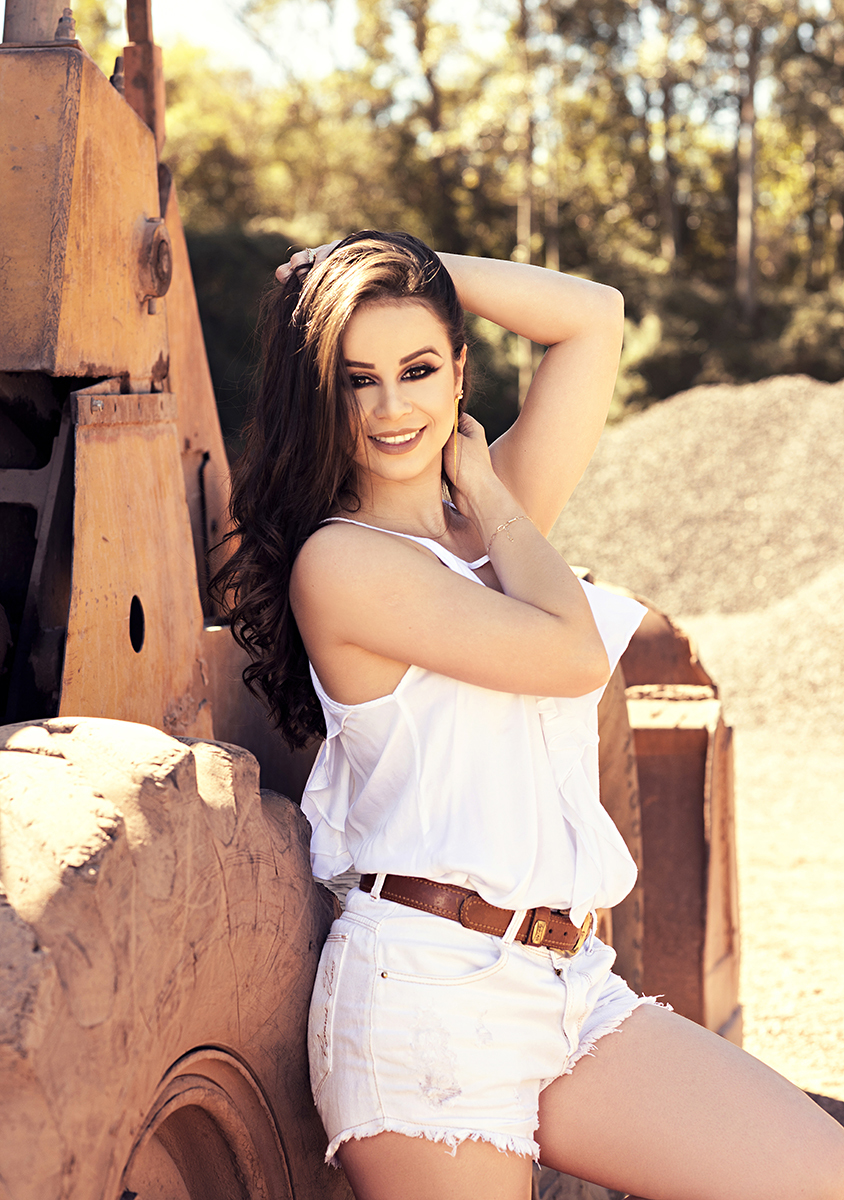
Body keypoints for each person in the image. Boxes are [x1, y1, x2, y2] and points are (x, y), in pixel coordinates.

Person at [215, 231, 844, 1200]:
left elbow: (593, 317)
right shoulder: (343, 562)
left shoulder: (486, 526)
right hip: (424, 998)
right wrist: (492, 495)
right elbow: (573, 656)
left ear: (460, 371)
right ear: (321, 397)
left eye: (418, 369)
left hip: (565, 982)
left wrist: (401, 264)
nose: (392, 407)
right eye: (356, 380)